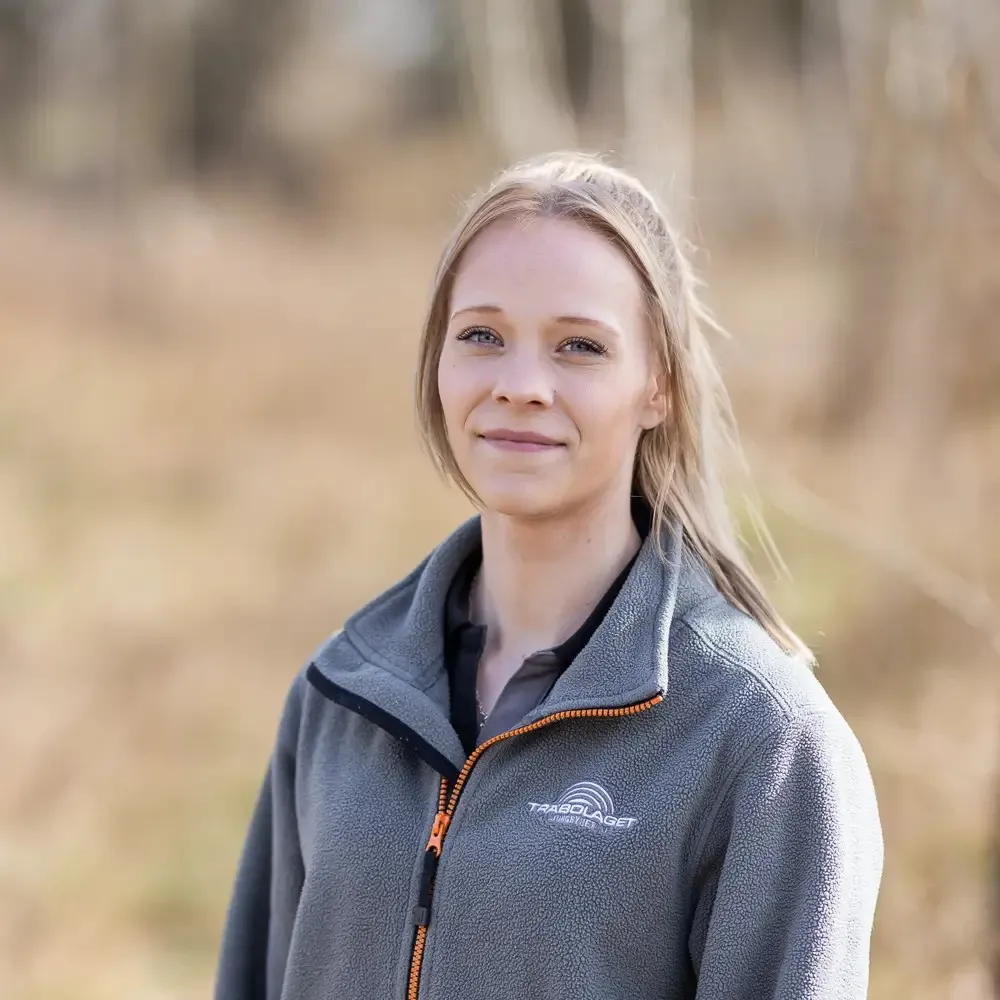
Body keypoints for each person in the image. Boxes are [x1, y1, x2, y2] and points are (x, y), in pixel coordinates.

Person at [213, 152, 883, 1000]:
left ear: (658, 386)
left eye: (579, 347)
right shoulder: (339, 696)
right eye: (482, 336)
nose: (521, 385)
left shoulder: (763, 741)